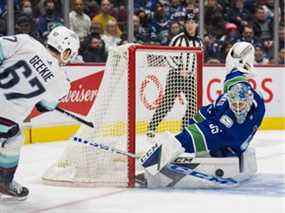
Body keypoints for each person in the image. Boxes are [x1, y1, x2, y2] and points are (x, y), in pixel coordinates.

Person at [140, 42, 265, 188]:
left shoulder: (239, 85)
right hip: (235, 141)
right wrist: (196, 119)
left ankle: (148, 167)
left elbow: (238, 102)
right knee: (196, 128)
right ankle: (225, 151)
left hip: (223, 131)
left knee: (179, 139)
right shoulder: (249, 93)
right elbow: (212, 110)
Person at [0, 26, 80, 200]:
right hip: (4, 123)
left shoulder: (25, 41)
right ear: (66, 52)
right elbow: (45, 106)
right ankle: (4, 181)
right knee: (15, 138)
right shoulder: (61, 83)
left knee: (15, 135)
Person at [146, 13, 203, 138]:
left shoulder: (199, 42)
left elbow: (198, 61)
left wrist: (192, 73)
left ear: (197, 25)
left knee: (193, 104)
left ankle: (184, 127)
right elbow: (169, 55)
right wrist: (179, 68)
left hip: (190, 78)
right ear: (185, 24)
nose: (190, 25)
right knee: (168, 103)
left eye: (193, 23)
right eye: (188, 23)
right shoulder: (178, 39)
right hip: (175, 76)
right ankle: (151, 127)